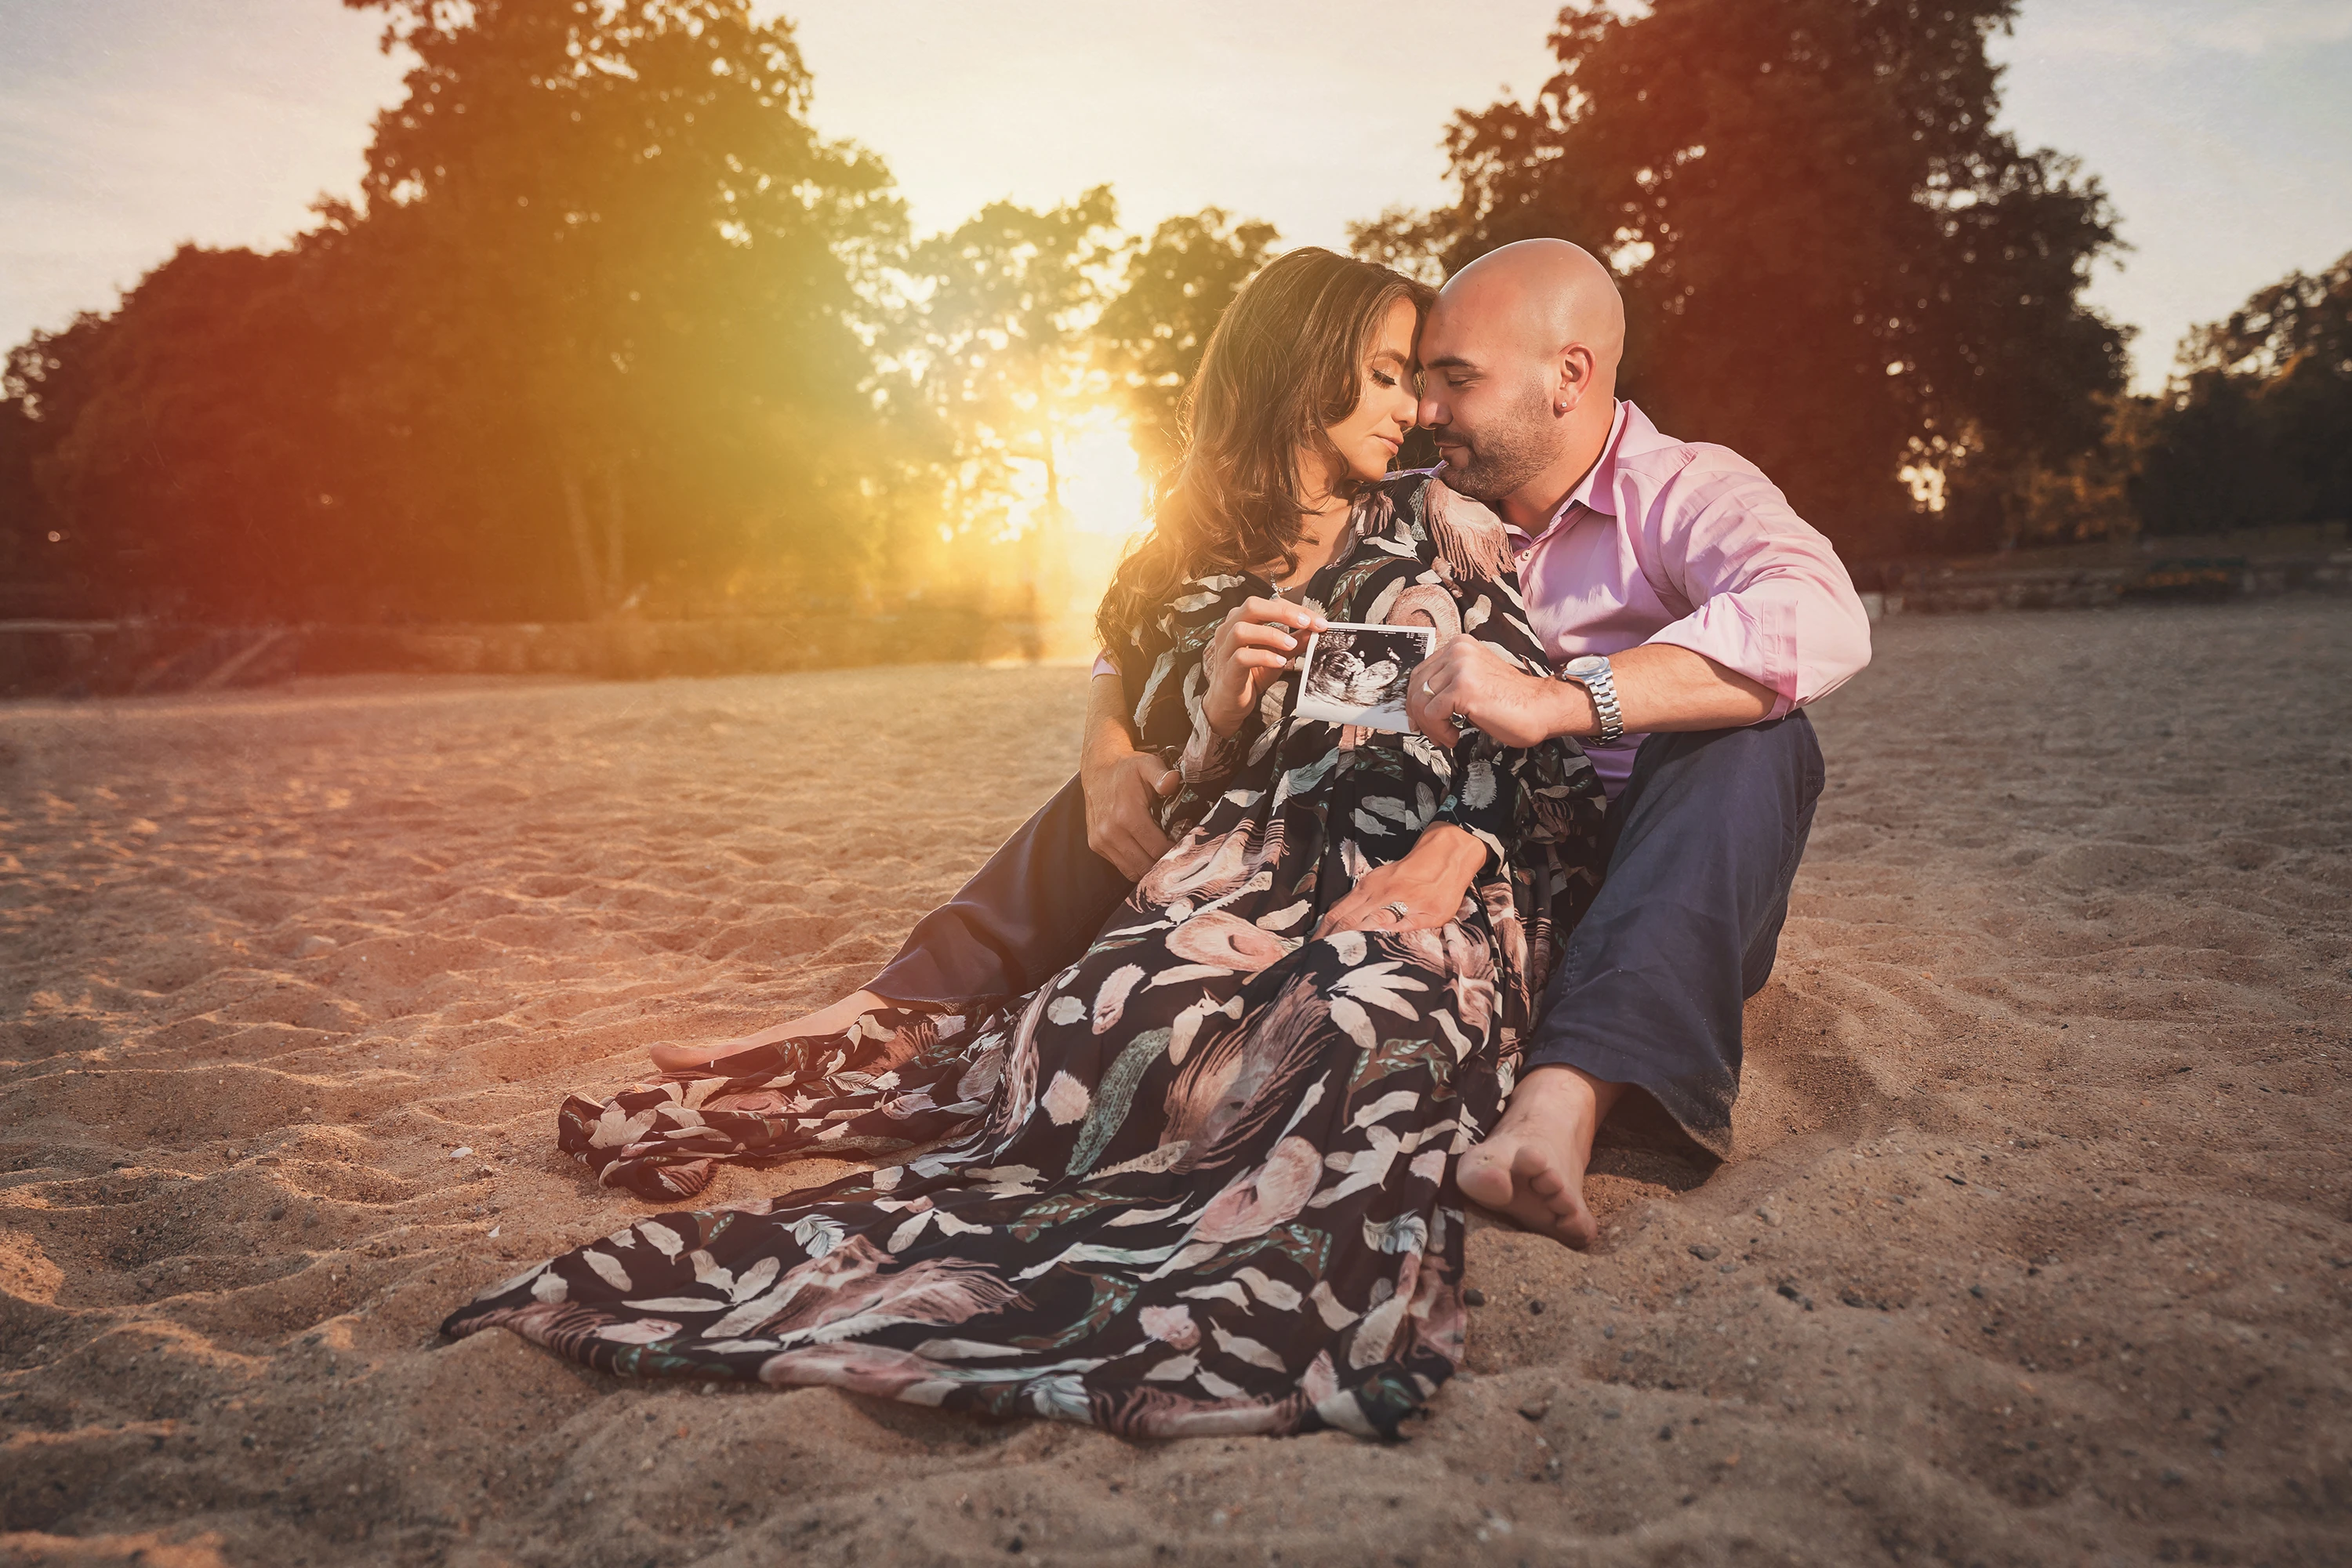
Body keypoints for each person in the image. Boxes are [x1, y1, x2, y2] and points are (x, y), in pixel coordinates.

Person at [447, 249, 1608, 1438]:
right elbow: (1188, 771)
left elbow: (1530, 730)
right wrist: (1208, 701)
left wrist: (1463, 842)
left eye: (1414, 377)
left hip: (1420, 869)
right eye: (1377, 375)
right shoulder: (1179, 567)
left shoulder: (1442, 520)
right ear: (1294, 370)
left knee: (1358, 1028)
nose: (1412, 407)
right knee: (1102, 1032)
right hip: (1241, 869)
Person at [717, 238, 1872, 1249]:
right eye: (1414, 381)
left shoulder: (1684, 492)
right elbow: (1181, 597)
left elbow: (1818, 616)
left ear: (1569, 376)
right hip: (1443, 861)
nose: (1424, 410)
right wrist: (1107, 740)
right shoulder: (1423, 501)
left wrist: (1561, 702)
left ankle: (1561, 1106)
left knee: (1760, 741)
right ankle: (902, 1000)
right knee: (1183, 767)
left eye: (1452, 381)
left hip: (1648, 875)